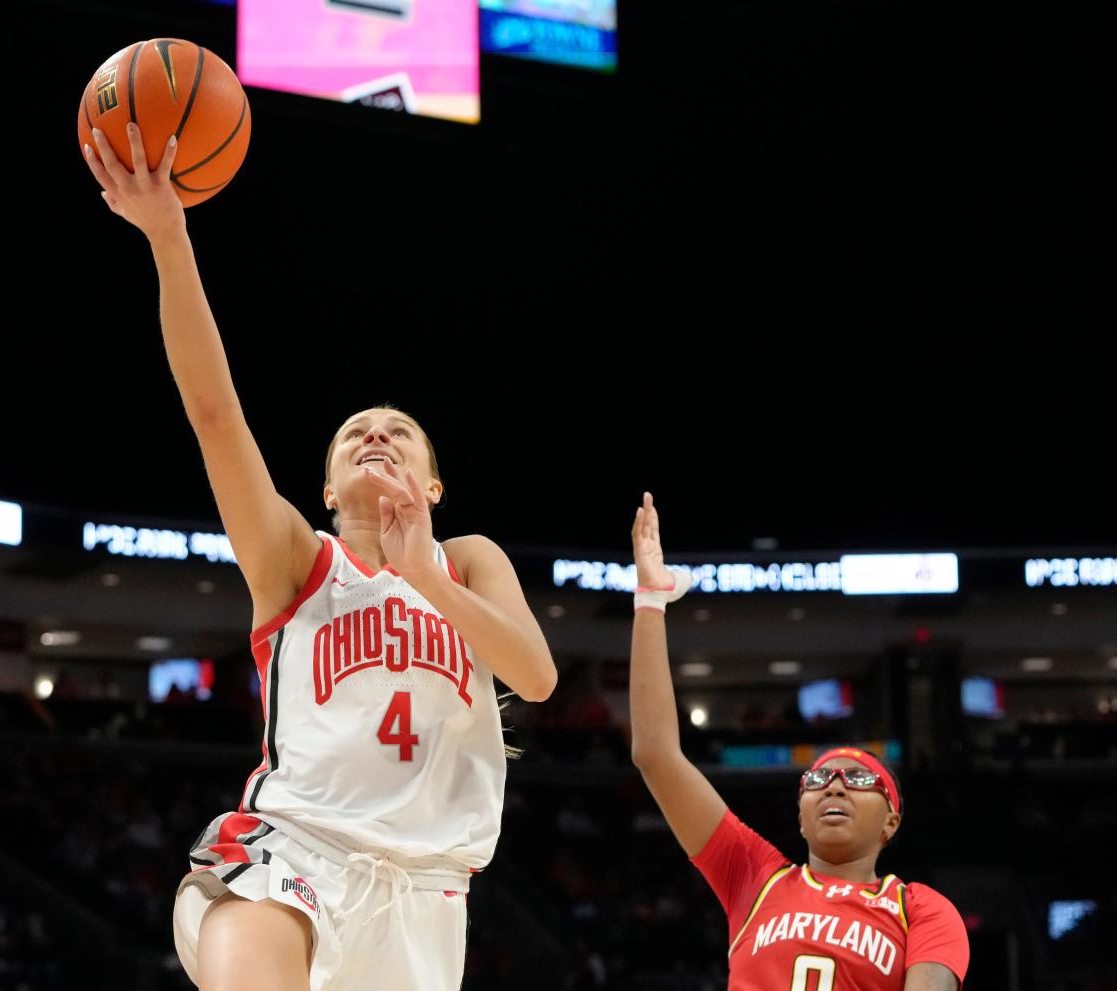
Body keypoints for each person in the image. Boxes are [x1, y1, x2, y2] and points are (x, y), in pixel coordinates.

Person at [82, 123, 558, 991]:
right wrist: (169, 235)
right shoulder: (298, 560)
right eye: (355, 435)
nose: (376, 435)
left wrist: (423, 578)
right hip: (292, 853)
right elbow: (214, 414)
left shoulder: (471, 561)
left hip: (426, 897)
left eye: (399, 433)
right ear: (329, 490)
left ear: (434, 486)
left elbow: (535, 676)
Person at [627, 491, 969, 989]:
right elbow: (656, 754)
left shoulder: (919, 908)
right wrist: (650, 600)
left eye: (857, 778)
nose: (834, 786)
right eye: (818, 778)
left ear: (890, 821)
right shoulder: (754, 876)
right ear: (800, 814)